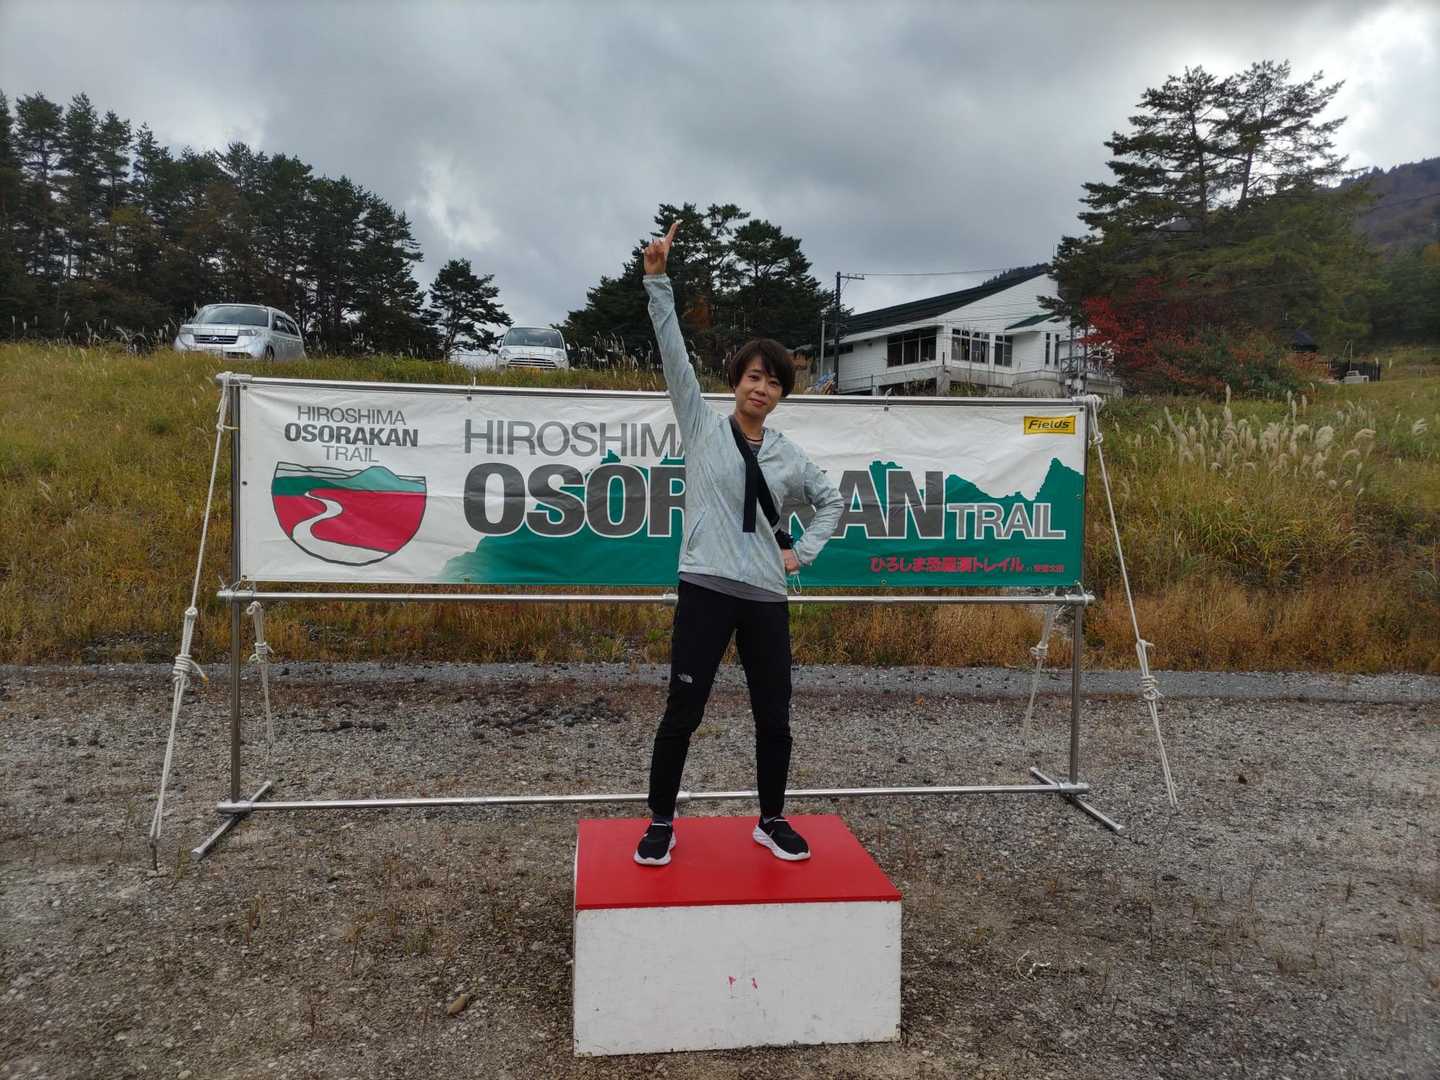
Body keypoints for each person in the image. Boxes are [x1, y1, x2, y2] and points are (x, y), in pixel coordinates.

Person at [634, 221, 844, 866]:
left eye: (774, 382)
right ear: (737, 380)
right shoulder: (701, 425)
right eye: (755, 377)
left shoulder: (788, 454)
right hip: (705, 588)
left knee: (774, 716)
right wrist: (658, 281)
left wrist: (801, 553)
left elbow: (833, 503)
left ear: (781, 394)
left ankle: (771, 819)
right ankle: (661, 822)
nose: (762, 389)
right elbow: (673, 355)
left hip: (766, 599)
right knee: (683, 710)